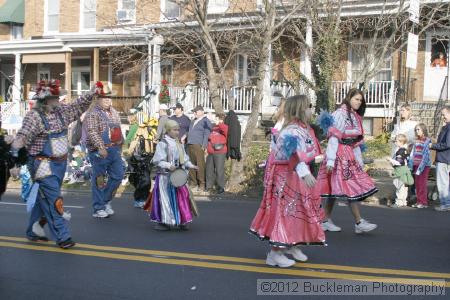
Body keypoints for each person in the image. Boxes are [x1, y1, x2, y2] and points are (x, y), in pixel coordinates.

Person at [9, 79, 96, 248]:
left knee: (45, 198)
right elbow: (21, 140)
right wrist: (14, 164)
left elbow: (78, 105)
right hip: (42, 164)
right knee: (55, 199)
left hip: (60, 164)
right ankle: (63, 236)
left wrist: (93, 92)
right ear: (46, 100)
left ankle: (34, 230)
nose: (59, 100)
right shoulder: (34, 116)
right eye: (55, 97)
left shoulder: (61, 111)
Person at [250, 95, 326, 268]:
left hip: (298, 175)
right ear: (299, 109)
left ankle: (293, 244)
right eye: (308, 106)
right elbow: (293, 155)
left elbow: (308, 151)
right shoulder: (289, 130)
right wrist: (304, 173)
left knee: (300, 211)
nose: (311, 109)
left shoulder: (304, 129)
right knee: (284, 212)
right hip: (285, 177)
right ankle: (275, 253)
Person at [319, 88, 378, 234]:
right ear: (349, 98)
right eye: (356, 99)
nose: (359, 102)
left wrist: (360, 162)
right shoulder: (340, 114)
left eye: (360, 100)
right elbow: (334, 137)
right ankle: (358, 222)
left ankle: (325, 220)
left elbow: (355, 143)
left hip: (348, 154)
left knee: (335, 190)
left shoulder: (354, 116)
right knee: (350, 187)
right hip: (339, 155)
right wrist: (331, 160)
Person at [149, 120, 198, 231]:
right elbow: (157, 160)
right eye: (174, 130)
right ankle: (164, 222)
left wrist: (191, 165)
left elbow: (184, 158)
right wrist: (168, 165)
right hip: (165, 177)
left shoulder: (178, 144)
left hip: (178, 176)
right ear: (168, 130)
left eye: (178, 130)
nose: (177, 132)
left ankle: (182, 220)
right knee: (165, 199)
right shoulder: (163, 144)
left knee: (182, 197)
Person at [85, 83, 125, 218]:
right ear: (98, 99)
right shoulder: (93, 113)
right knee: (99, 180)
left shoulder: (113, 112)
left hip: (114, 150)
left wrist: (121, 145)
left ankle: (105, 200)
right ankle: (98, 208)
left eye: (109, 98)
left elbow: (118, 129)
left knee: (119, 175)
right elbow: (91, 131)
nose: (108, 100)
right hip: (99, 152)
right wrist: (100, 147)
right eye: (105, 98)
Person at [127, 121, 153, 208]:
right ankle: (139, 200)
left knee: (146, 181)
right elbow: (131, 148)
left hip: (146, 160)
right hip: (138, 162)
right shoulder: (136, 136)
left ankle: (144, 199)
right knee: (141, 181)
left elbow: (151, 149)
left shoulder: (149, 135)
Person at [187, 105, 212, 192]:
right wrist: (184, 137)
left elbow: (207, 133)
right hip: (190, 144)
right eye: (194, 112)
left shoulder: (206, 121)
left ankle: (202, 184)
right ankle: (193, 183)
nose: (194, 113)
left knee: (200, 165)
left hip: (199, 145)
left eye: (196, 112)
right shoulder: (193, 120)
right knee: (191, 164)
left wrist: (204, 146)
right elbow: (189, 131)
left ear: (201, 111)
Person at [431, 106, 450, 211]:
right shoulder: (446, 126)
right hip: (445, 158)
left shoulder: (449, 127)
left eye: (444, 114)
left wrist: (432, 146)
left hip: (444, 158)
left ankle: (446, 204)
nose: (442, 117)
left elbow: (447, 144)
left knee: (443, 183)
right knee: (445, 182)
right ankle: (447, 203)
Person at [408, 123, 431, 209]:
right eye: (416, 130)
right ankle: (419, 201)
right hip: (416, 165)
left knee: (422, 184)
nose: (417, 131)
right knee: (417, 184)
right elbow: (413, 153)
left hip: (424, 166)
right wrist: (411, 164)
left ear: (423, 130)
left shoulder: (427, 140)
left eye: (419, 129)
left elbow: (425, 155)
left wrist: (420, 168)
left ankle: (423, 202)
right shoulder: (415, 141)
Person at [206, 113, 228, 194]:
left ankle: (221, 187)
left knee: (219, 170)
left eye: (217, 119)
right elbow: (208, 137)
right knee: (209, 169)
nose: (215, 120)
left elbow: (225, 130)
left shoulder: (224, 126)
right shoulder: (213, 127)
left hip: (220, 151)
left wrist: (219, 123)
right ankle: (209, 186)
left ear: (221, 120)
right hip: (211, 150)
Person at [388, 134, 413, 208]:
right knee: (405, 187)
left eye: (396, 141)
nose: (395, 142)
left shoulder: (400, 151)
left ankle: (398, 202)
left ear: (401, 142)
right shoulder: (405, 150)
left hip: (400, 170)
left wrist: (390, 160)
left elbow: (399, 162)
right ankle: (403, 202)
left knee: (399, 186)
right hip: (406, 170)